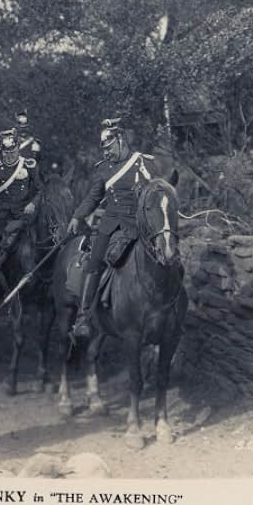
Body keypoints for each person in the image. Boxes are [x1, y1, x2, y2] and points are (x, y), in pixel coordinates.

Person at [66, 118, 155, 339]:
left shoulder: (142, 163)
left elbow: (155, 191)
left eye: (109, 147)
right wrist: (78, 215)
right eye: (104, 148)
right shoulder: (103, 169)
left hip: (138, 224)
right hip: (110, 226)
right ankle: (83, 317)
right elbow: (93, 198)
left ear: (121, 140)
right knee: (93, 263)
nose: (106, 152)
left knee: (163, 255)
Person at [0, 127, 41, 272]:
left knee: (38, 239)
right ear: (2, 151)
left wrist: (33, 203)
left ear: (18, 150)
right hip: (2, 212)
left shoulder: (29, 165)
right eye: (6, 152)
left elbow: (40, 189)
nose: (9, 155)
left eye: (12, 152)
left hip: (24, 212)